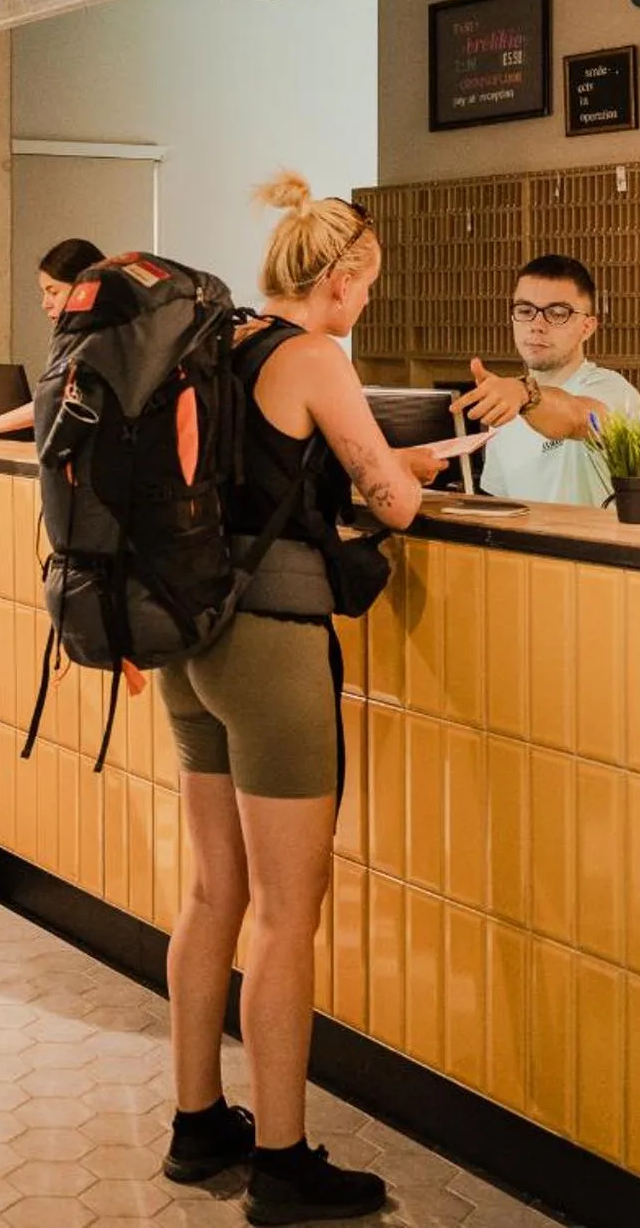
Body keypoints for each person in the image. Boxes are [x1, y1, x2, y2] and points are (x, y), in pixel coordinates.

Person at [157, 174, 445, 1224]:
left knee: (211, 892)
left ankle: (197, 1123)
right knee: (288, 914)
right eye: (363, 286)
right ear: (338, 275)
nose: (363, 304)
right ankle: (280, 1161)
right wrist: (395, 468)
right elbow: (396, 500)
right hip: (273, 647)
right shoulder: (314, 355)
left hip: (191, 638)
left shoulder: (216, 343)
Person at [455, 255, 640, 508]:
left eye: (557, 314)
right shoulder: (506, 401)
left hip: (592, 545)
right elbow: (500, 504)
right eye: (525, 311)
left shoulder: (613, 390)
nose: (537, 325)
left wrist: (525, 395)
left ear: (587, 327)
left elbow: (577, 418)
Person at [0, 237, 104, 440]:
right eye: (44, 293)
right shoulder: (84, 337)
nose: (45, 304)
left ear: (84, 290)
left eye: (53, 292)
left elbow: (54, 399)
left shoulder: (103, 340)